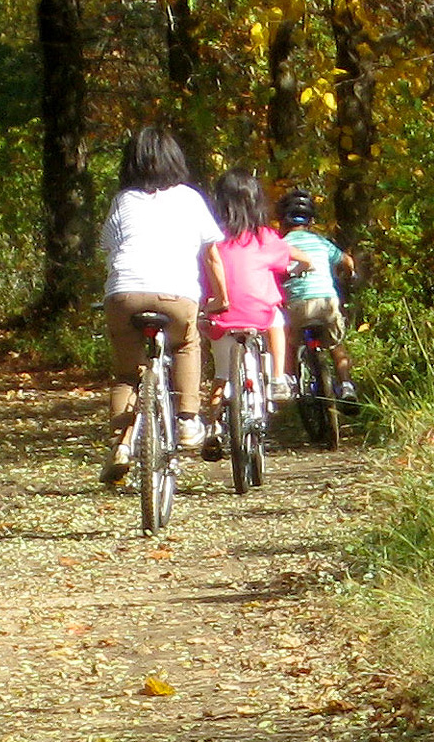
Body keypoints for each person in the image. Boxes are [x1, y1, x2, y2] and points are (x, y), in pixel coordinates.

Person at [98, 126, 229, 483]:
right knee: (187, 343)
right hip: (177, 296)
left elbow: (107, 246)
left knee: (127, 374)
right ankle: (188, 420)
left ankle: (120, 444)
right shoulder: (190, 198)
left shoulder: (123, 201)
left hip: (123, 294)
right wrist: (221, 297)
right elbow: (212, 254)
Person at [200, 168, 312, 461]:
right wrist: (304, 265)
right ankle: (277, 378)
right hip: (258, 315)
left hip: (221, 316)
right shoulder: (265, 238)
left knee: (222, 375)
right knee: (277, 317)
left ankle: (212, 427)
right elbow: (299, 258)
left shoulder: (212, 240)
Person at [278, 188, 357, 401]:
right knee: (335, 344)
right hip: (325, 301)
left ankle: (291, 383)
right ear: (311, 221)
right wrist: (350, 275)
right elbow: (347, 261)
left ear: (282, 221)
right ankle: (347, 385)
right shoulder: (321, 242)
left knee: (289, 342)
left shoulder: (280, 246)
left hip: (297, 305)